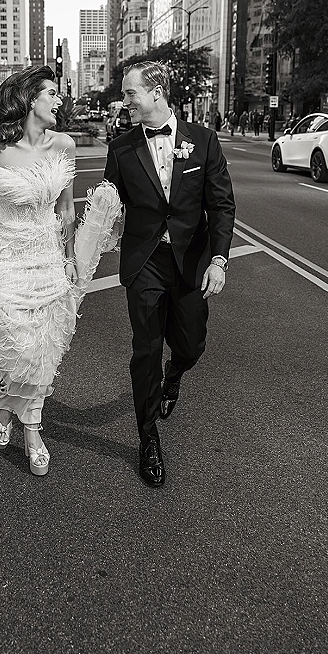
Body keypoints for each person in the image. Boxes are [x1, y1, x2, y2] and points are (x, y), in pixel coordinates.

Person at [0, 65, 120, 477]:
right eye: (52, 93)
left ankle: (31, 428)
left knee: (42, 349)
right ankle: (3, 408)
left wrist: (68, 258)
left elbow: (66, 209)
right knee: (7, 345)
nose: (59, 100)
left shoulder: (64, 144)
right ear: (31, 98)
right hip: (7, 256)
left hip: (47, 259)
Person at [104, 62, 235, 487]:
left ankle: (175, 375)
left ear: (156, 92)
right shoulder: (122, 148)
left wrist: (218, 259)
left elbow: (221, 206)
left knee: (191, 345)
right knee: (145, 351)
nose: (125, 102)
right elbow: (109, 206)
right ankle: (148, 439)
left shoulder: (204, 140)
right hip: (144, 263)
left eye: (130, 94)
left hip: (191, 262)